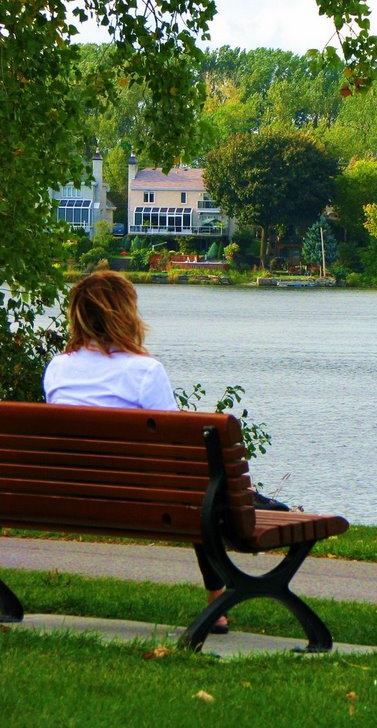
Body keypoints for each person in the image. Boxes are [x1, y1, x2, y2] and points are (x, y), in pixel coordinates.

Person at [43, 270, 230, 634]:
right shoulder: (145, 370)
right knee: (202, 495)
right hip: (146, 502)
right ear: (126, 315)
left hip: (63, 496)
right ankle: (217, 605)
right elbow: (178, 448)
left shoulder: (58, 368)